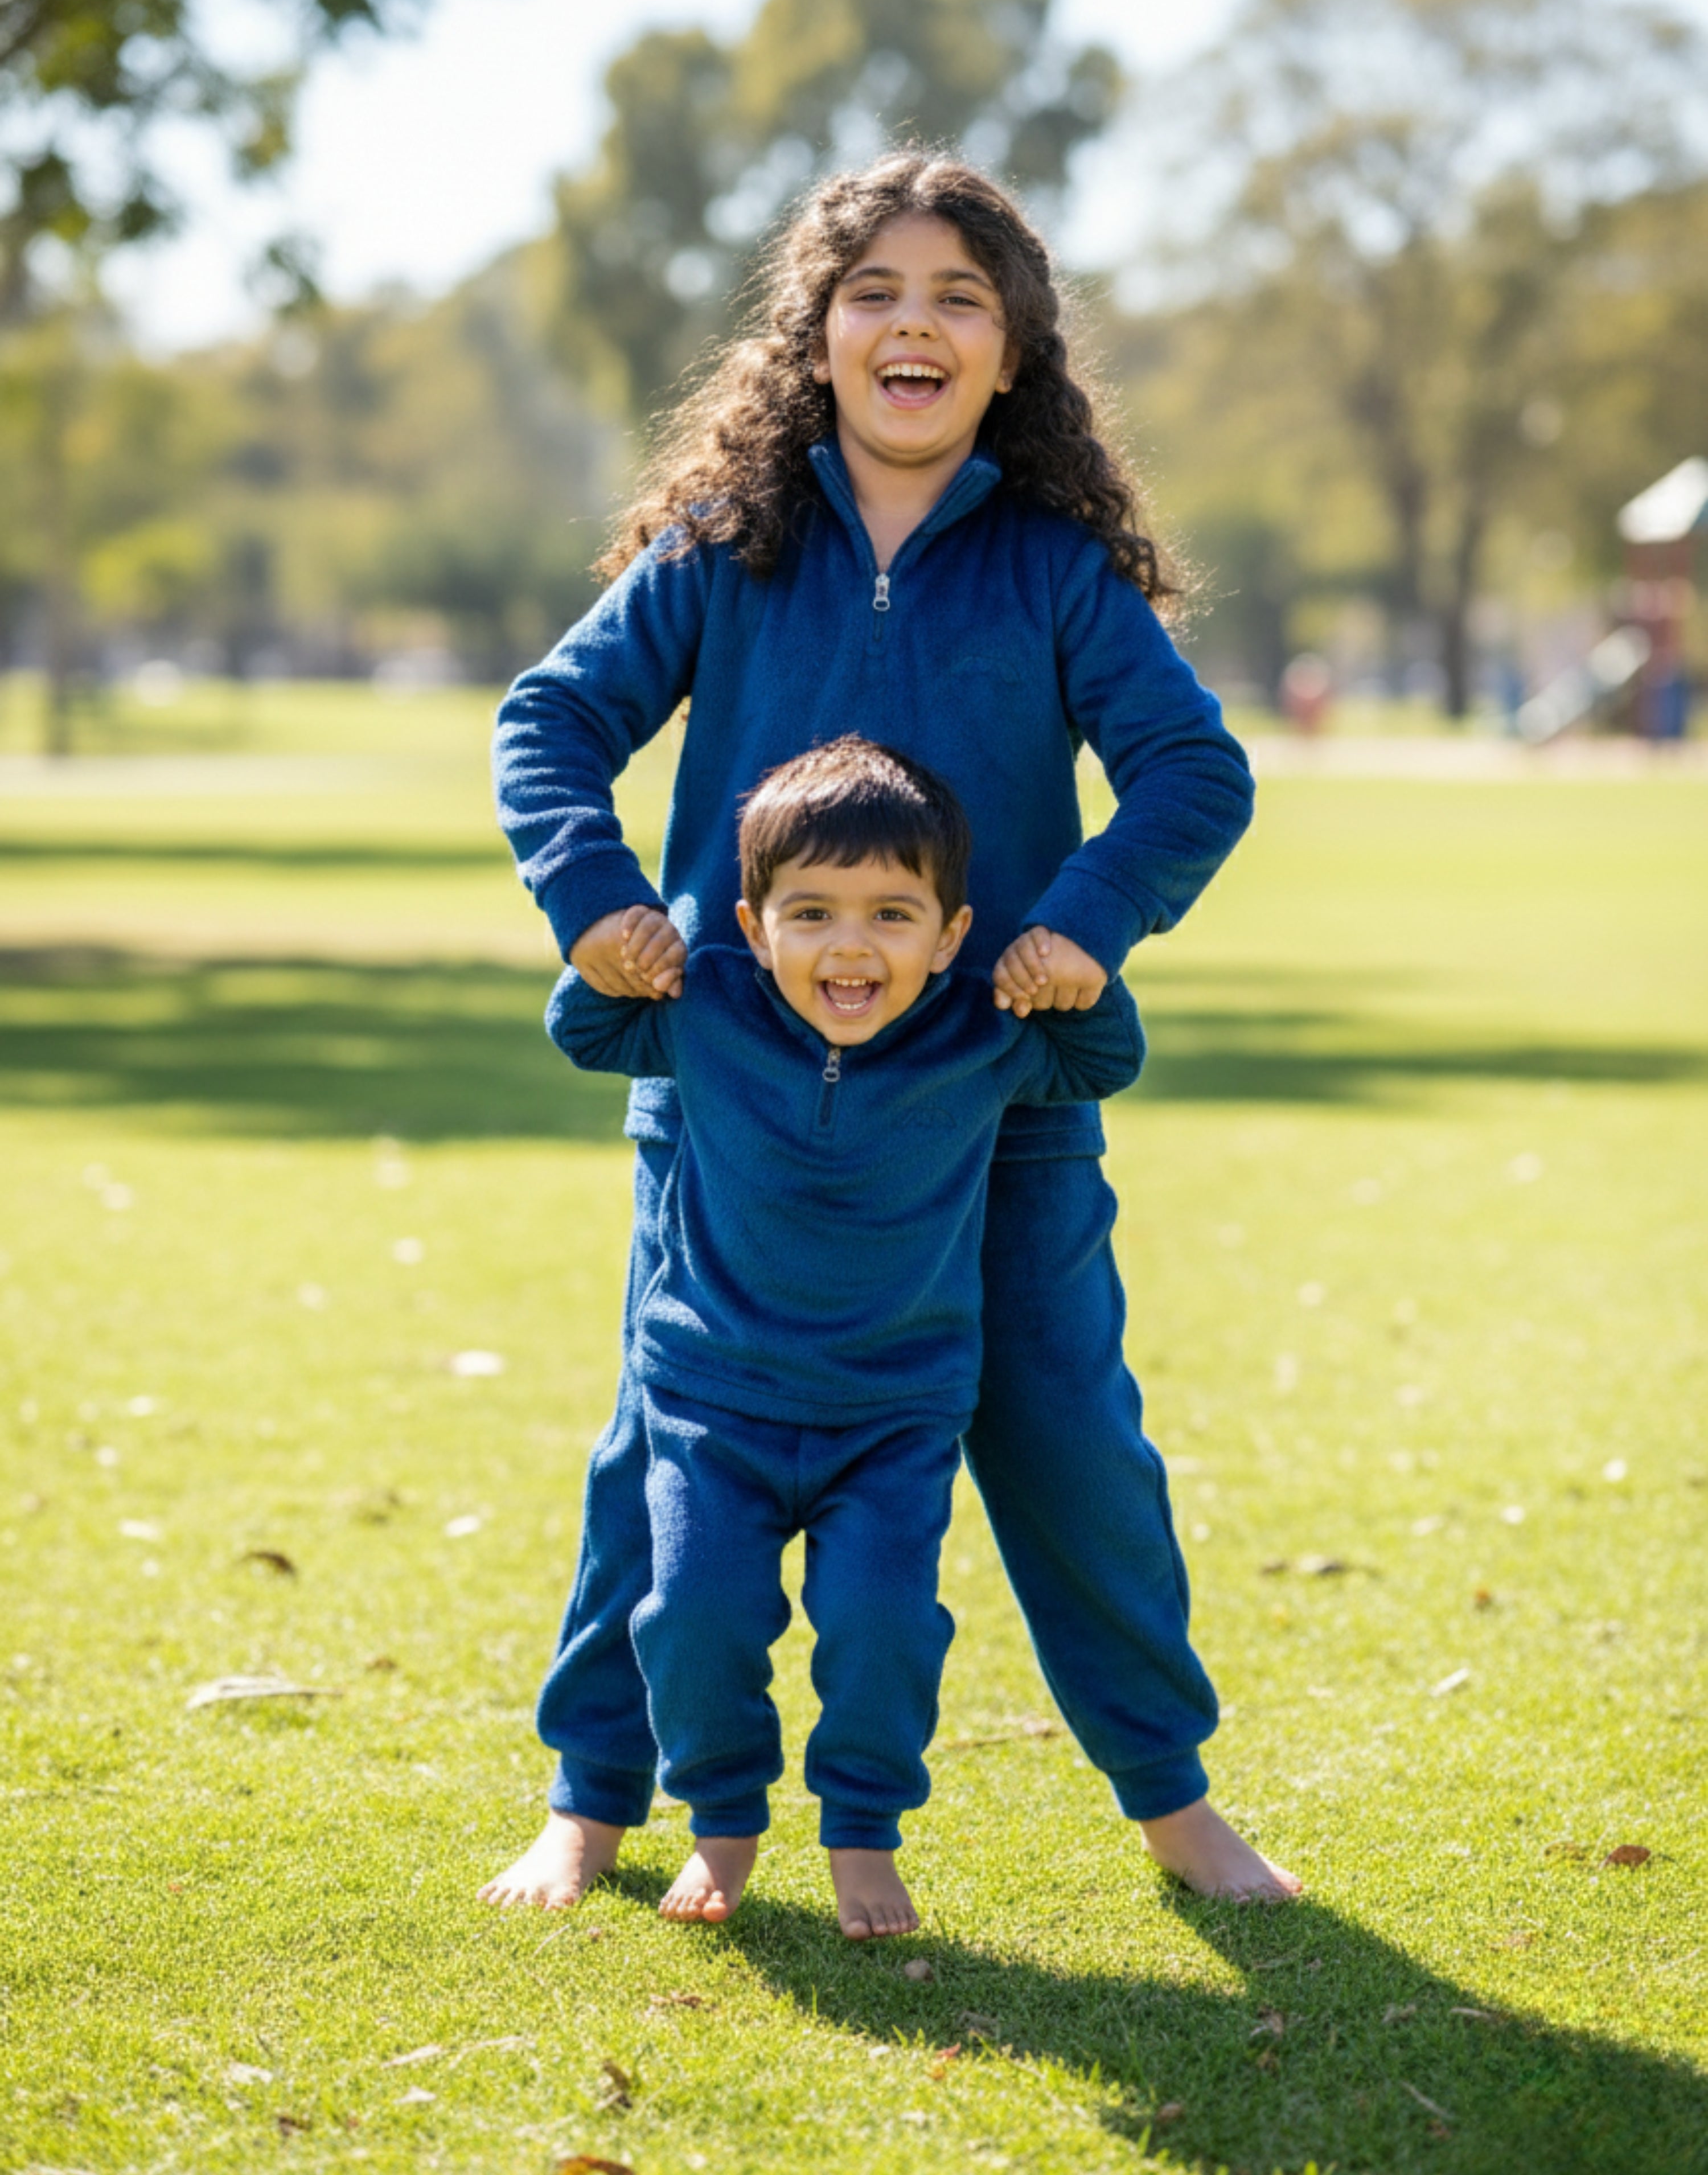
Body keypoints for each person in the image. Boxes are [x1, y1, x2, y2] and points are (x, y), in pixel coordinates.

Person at [481, 149, 1301, 1914]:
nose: (913, 325)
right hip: (731, 1111)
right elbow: (548, 723)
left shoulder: (1054, 571)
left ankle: (1174, 1804)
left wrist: (1084, 925)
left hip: (993, 1106)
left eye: (958, 299)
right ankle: (590, 1801)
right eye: (875, 294)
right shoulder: (726, 549)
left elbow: (1192, 771)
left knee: (1073, 1438)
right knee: (659, 1456)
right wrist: (596, 900)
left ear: (1013, 353)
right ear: (816, 335)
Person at [548, 736, 1143, 1936]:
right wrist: (630, 946)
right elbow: (589, 1029)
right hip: (712, 1405)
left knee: (884, 1626)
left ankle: (864, 1832)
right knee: (694, 1616)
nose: (851, 947)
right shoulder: (708, 1009)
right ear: (753, 926)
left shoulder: (980, 1033)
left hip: (895, 1416)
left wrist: (1061, 964)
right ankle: (722, 1823)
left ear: (951, 932)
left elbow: (1104, 1054)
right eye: (811, 913)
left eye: (892, 915)